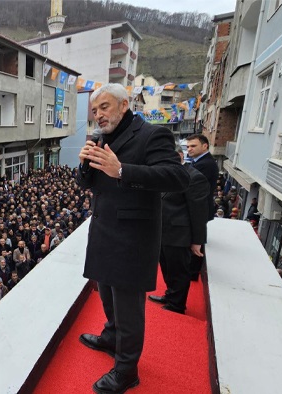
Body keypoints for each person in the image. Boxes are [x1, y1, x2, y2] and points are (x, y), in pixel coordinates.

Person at [77, 83, 189, 393]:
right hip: (104, 231)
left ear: (124, 105)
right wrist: (85, 163)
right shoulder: (104, 138)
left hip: (132, 239)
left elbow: (177, 177)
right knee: (107, 295)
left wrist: (123, 170)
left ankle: (127, 370)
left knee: (129, 309)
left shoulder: (152, 134)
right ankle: (111, 337)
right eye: (95, 110)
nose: (98, 114)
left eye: (104, 107)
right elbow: (91, 183)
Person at [149, 149, 209, 314]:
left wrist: (198, 241)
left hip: (180, 235)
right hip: (163, 231)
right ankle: (170, 295)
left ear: (180, 156)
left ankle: (177, 305)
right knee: (167, 268)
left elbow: (198, 213)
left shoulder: (195, 177)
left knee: (178, 271)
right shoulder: (166, 174)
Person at [185, 133, 219, 280]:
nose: (189, 150)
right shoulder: (201, 162)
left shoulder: (205, 164)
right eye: (187, 147)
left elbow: (192, 187)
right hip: (201, 206)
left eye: (193, 146)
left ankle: (192, 272)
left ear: (205, 146)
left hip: (200, 207)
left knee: (196, 238)